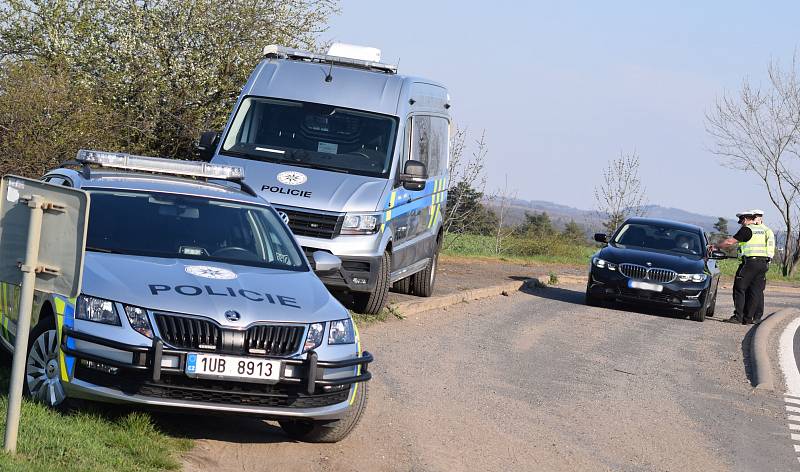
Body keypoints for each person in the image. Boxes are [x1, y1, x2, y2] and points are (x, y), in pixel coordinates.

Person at [717, 210, 775, 324]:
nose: (740, 223)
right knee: (755, 291)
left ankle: (738, 316)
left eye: (741, 221)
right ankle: (748, 318)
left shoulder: (747, 229)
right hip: (762, 263)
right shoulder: (763, 230)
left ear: (745, 219)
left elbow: (729, 242)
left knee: (739, 288)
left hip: (750, 263)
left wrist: (715, 246)